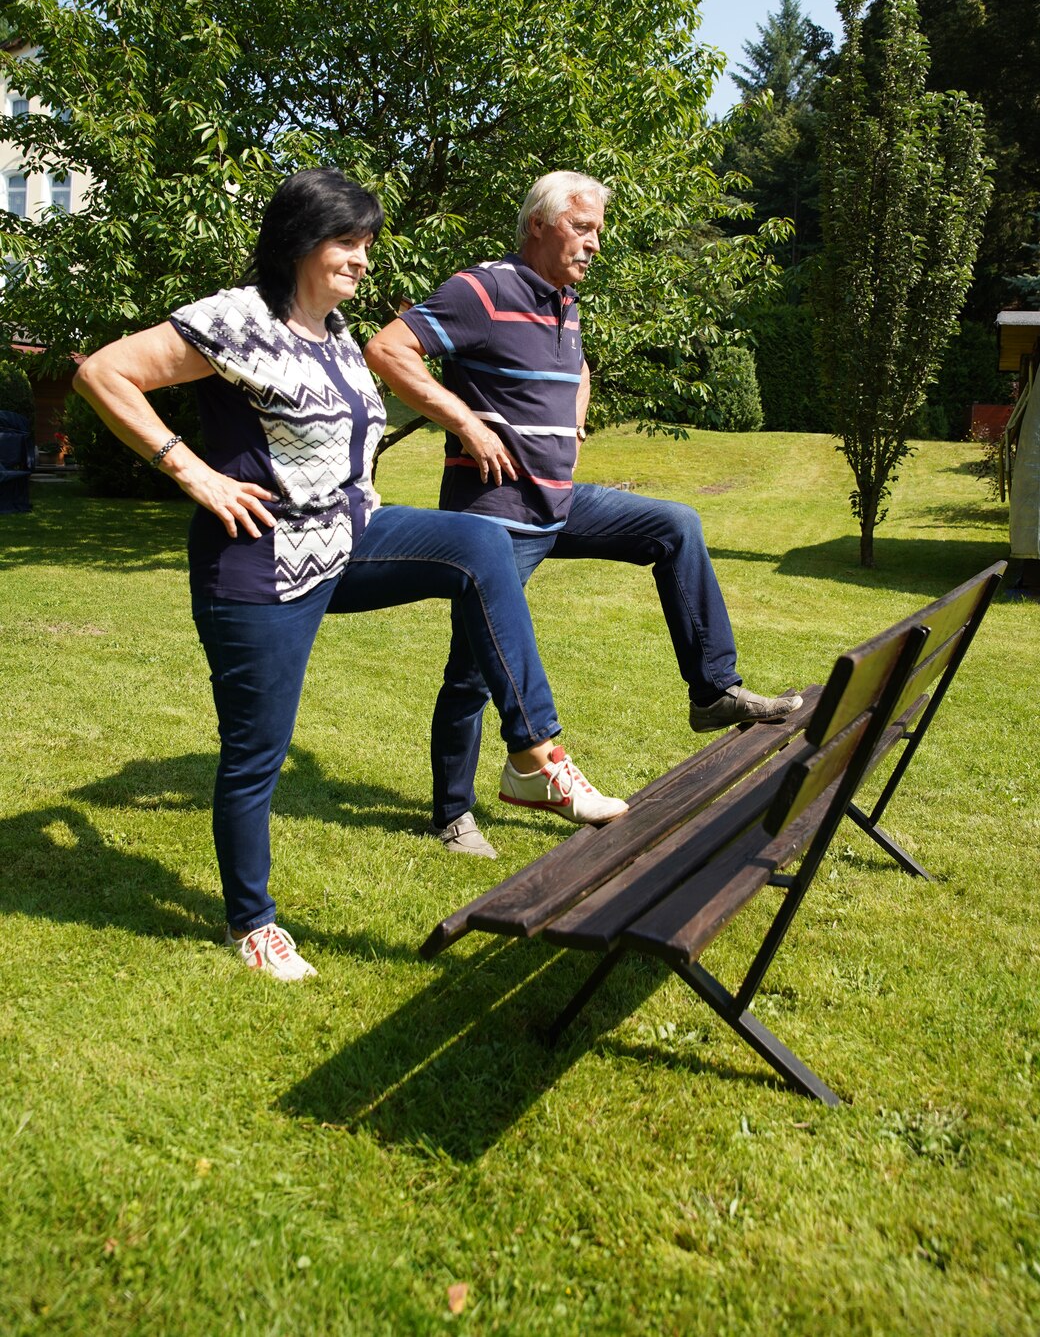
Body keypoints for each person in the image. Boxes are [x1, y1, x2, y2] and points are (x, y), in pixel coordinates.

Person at [73, 168, 626, 982]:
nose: (363, 260)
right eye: (348, 242)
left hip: (350, 538)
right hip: (258, 563)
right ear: (300, 240)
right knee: (256, 751)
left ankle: (533, 756)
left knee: (478, 545)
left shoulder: (332, 331)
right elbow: (103, 372)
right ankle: (252, 923)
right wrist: (195, 474)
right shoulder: (235, 318)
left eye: (368, 245)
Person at [365, 169, 802, 860]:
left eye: (598, 229)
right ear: (537, 223)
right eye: (581, 225)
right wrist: (468, 426)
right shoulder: (482, 289)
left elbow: (577, 366)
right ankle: (452, 813)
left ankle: (712, 688)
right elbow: (388, 349)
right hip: (495, 518)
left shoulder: (564, 301)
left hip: (560, 502)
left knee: (674, 524)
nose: (594, 241)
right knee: (474, 671)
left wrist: (573, 423)